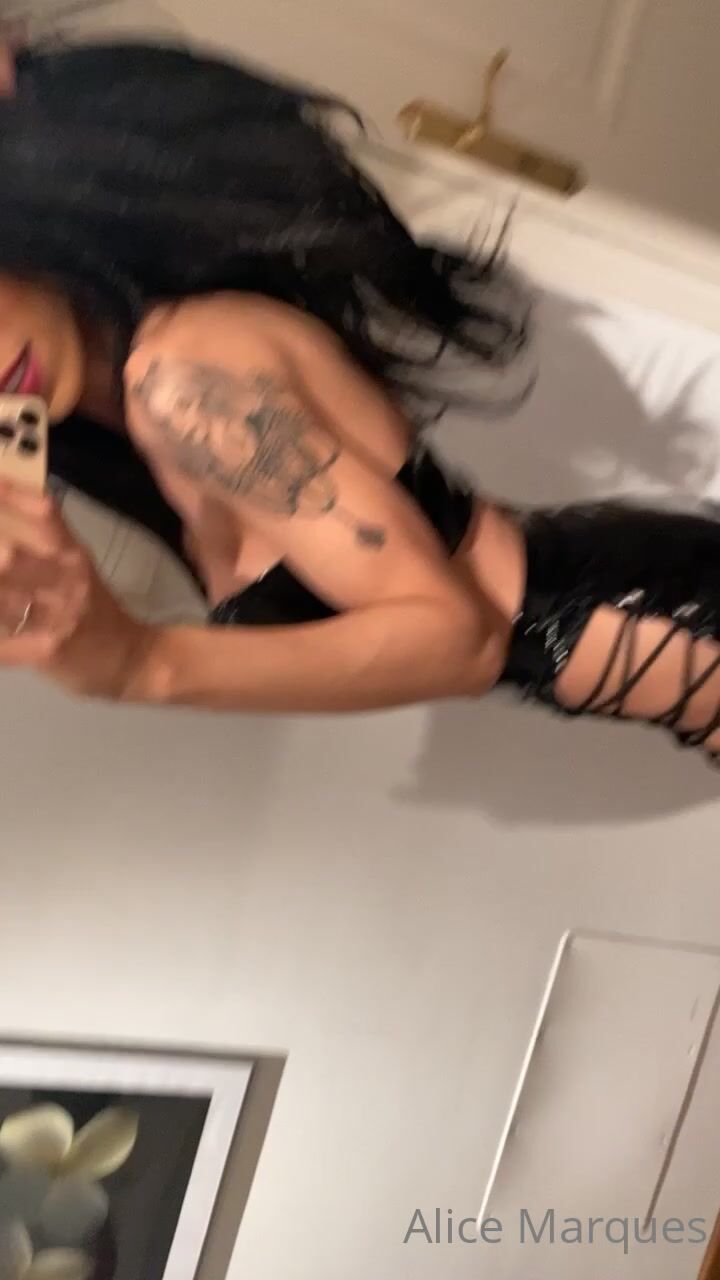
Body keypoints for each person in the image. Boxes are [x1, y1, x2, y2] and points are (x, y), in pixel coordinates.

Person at [0, 35, 718, 767]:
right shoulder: (110, 418)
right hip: (630, 641)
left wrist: (141, 664)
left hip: (664, 620)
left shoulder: (184, 378)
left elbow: (459, 636)